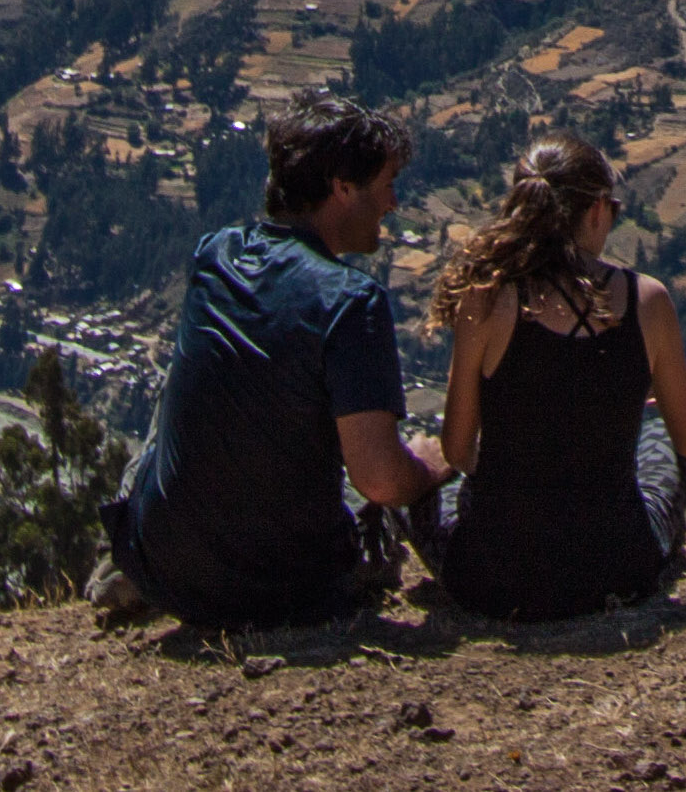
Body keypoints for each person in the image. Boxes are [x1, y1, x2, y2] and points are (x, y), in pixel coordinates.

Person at [97, 94, 442, 630]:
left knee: (174, 393)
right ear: (342, 188)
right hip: (288, 593)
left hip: (163, 566)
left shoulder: (216, 255)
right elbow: (380, 479)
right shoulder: (352, 302)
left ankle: (148, 561)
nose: (394, 202)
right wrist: (428, 468)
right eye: (386, 184)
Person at [427, 135, 686, 620]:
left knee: (419, 465)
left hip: (496, 578)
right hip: (619, 570)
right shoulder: (648, 300)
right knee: (661, 425)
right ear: (599, 209)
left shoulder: (486, 299)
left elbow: (458, 452)